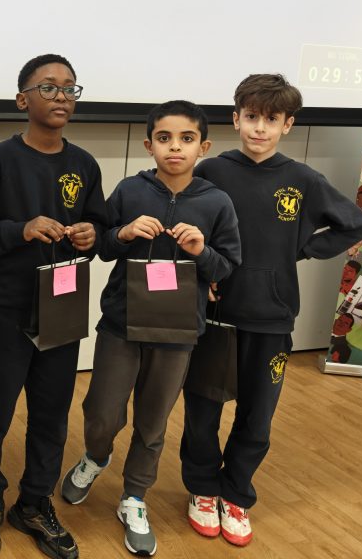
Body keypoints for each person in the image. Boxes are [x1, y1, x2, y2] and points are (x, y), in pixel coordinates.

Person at [179, 74, 362, 548]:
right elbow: (185, 228)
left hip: (272, 316)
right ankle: (203, 489)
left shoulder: (302, 179)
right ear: (235, 119)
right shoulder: (211, 171)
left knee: (258, 414)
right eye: (251, 117)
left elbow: (356, 223)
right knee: (202, 409)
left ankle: (236, 493)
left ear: (287, 125)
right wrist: (201, 274)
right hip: (216, 316)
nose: (259, 128)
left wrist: (299, 249)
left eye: (271, 119)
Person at [60, 101, 240, 557]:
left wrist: (201, 251)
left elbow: (226, 268)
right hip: (121, 325)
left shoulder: (216, 202)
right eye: (164, 138)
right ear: (149, 145)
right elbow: (102, 246)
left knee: (153, 422)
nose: (174, 147)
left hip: (178, 333)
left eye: (186, 139)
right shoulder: (129, 190)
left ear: (203, 147)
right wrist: (122, 234)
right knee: (102, 412)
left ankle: (135, 497)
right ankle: (96, 455)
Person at [0, 54, 107, 559]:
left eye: (70, 87)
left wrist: (92, 234)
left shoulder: (84, 165)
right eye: (48, 87)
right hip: (6, 308)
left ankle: (35, 501)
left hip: (61, 308)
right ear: (22, 99)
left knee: (51, 413)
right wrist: (19, 230)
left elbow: (101, 227)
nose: (61, 96)